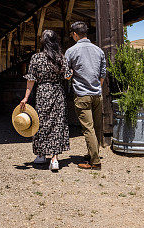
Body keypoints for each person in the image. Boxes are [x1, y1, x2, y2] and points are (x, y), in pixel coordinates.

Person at [20, 29, 72, 172]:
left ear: (43, 42)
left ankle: (41, 155)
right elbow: (68, 76)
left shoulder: (36, 58)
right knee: (57, 124)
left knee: (40, 123)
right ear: (55, 41)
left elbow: (31, 79)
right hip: (57, 93)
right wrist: (70, 72)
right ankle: (54, 160)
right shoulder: (61, 58)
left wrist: (25, 98)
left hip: (42, 93)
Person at [64, 21, 106, 170]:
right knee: (96, 126)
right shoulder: (98, 50)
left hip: (82, 95)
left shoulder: (71, 51)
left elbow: (67, 74)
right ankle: (92, 152)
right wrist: (97, 87)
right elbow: (103, 73)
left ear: (75, 34)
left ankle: (95, 162)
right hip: (96, 94)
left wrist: (71, 75)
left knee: (88, 129)